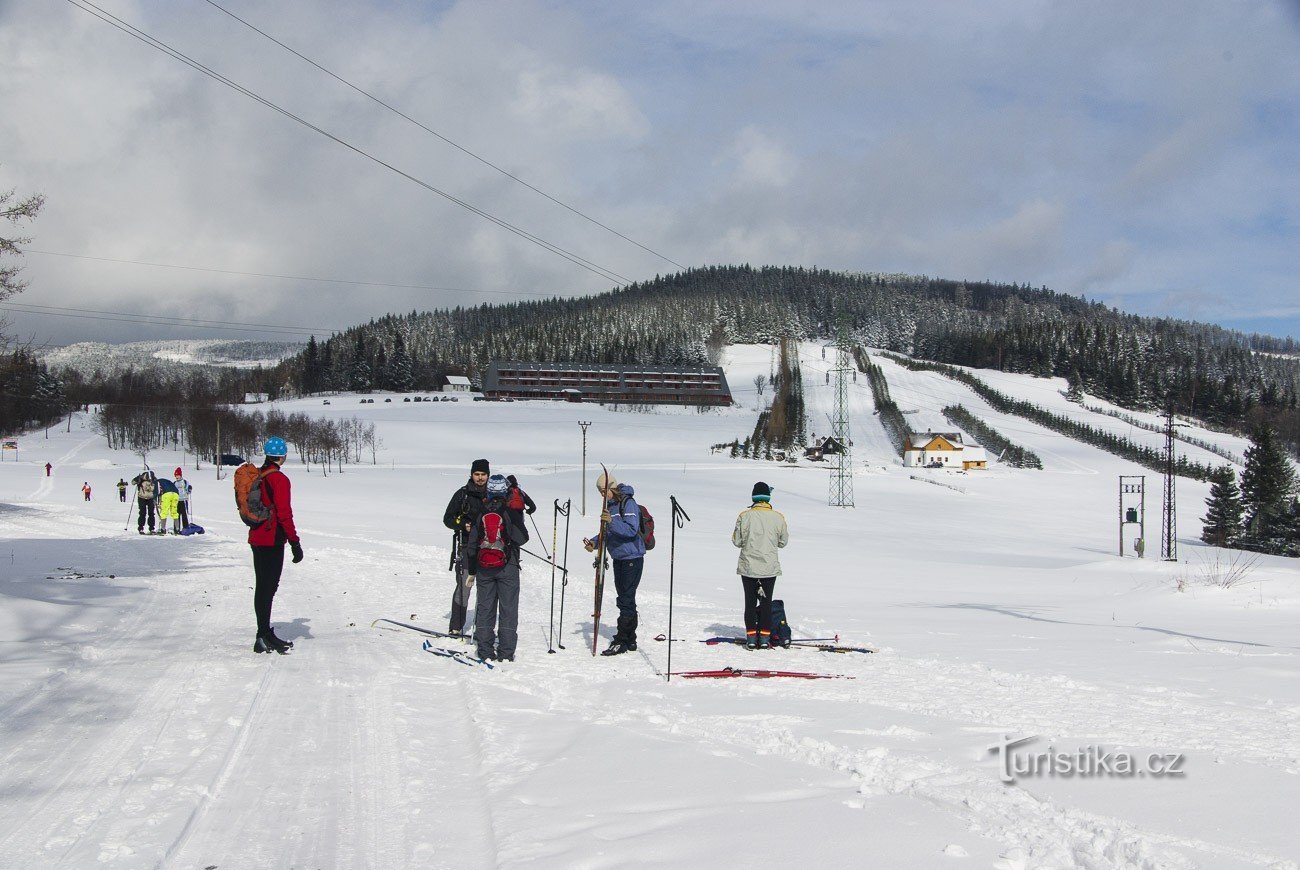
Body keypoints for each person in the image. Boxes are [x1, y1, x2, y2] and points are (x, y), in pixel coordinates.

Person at [249, 436, 303, 654]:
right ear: (283, 456)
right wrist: (294, 542)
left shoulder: (260, 475)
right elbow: (284, 514)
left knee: (264, 586)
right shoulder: (279, 480)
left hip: (257, 538)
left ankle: (264, 633)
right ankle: (261, 636)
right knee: (267, 588)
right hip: (271, 539)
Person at [466, 474, 528, 661]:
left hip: (484, 567)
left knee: (485, 608)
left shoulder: (481, 512)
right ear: (505, 491)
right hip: (507, 566)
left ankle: (485, 651)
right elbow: (523, 538)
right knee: (508, 608)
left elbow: (472, 544)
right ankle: (506, 653)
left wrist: (471, 570)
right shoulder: (510, 512)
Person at [583, 470, 646, 656]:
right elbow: (609, 532)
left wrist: (611, 521)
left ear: (612, 487)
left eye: (604, 491)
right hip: (619, 558)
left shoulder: (628, 503)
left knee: (625, 600)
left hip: (632, 559)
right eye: (600, 492)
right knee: (626, 599)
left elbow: (631, 530)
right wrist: (595, 542)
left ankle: (621, 640)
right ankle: (630, 639)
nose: (602, 495)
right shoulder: (611, 507)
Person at [731, 481, 789, 649]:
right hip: (769, 569)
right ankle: (764, 638)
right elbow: (783, 542)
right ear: (768, 498)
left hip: (748, 567)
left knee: (749, 603)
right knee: (766, 603)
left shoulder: (744, 516)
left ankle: (750, 638)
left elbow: (736, 541)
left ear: (754, 497)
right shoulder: (778, 517)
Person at [441, 458, 490, 636]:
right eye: (477, 474)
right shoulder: (462, 494)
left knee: (486, 591)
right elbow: (447, 519)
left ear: (488, 475)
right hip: (466, 547)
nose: (480, 478)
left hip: (488, 549)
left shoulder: (493, 494)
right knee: (464, 588)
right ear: (471, 475)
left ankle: (483, 628)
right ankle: (456, 626)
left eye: (483, 474)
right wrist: (463, 525)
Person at [131, 468, 158, 534]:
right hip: (142, 498)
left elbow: (156, 489)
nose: (150, 480)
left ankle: (151, 528)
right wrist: (137, 479)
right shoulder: (141, 478)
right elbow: (132, 482)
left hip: (150, 498)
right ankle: (141, 528)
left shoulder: (154, 480)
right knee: (142, 513)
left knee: (151, 513)